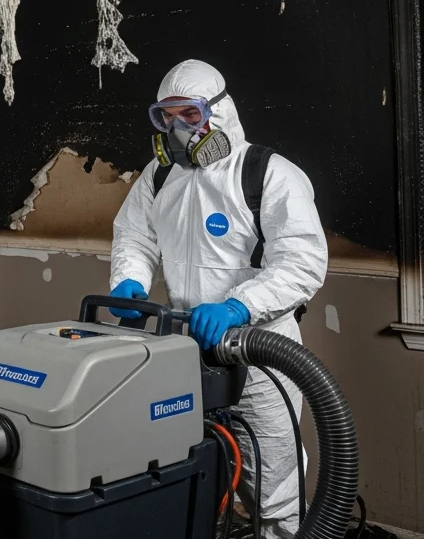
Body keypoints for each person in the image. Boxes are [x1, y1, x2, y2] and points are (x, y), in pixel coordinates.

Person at [109, 59, 327, 539]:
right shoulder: (159, 176)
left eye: (188, 114)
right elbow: (134, 235)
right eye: (165, 116)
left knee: (272, 486)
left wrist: (238, 307)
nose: (177, 128)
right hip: (183, 351)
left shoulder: (268, 174)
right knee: (191, 472)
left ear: (219, 112)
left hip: (259, 357)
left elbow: (302, 263)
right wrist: (131, 280)